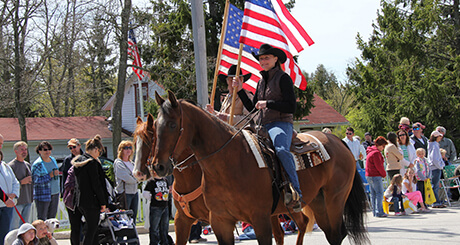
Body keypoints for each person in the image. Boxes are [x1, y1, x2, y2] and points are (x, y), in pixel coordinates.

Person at [234, 43, 301, 211]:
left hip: (280, 123)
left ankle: (296, 192)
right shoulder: (261, 81)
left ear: (275, 59)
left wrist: (268, 103)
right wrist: (241, 90)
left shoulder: (283, 78)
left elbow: (291, 106)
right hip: (262, 125)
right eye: (261, 58)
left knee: (280, 150)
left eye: (266, 58)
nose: (263, 61)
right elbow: (252, 108)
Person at [72, 135, 108, 245]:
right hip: (92, 201)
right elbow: (96, 185)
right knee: (92, 230)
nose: (99, 155)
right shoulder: (92, 163)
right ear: (96, 149)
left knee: (93, 230)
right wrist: (103, 202)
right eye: (99, 152)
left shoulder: (78, 162)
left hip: (80, 201)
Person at [31, 141, 60, 221]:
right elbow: (35, 180)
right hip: (43, 195)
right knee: (42, 219)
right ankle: (42, 234)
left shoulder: (53, 160)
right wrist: (49, 176)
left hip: (55, 193)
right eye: (45, 150)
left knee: (52, 219)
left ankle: (50, 234)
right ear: (39, 151)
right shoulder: (38, 164)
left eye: (49, 149)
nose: (48, 151)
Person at [8, 141, 34, 229]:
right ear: (16, 151)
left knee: (25, 227)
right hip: (17, 202)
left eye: (25, 149)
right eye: (22, 150)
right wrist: (22, 182)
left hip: (28, 200)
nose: (24, 152)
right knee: (14, 227)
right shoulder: (11, 166)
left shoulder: (27, 165)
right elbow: (9, 184)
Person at [114, 140, 139, 220]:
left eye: (130, 148)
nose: (128, 150)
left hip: (134, 192)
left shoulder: (132, 163)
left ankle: (133, 232)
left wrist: (137, 178)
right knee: (125, 217)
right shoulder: (119, 163)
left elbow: (139, 175)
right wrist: (136, 180)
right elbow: (125, 177)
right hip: (125, 194)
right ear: (121, 150)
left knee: (133, 216)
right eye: (126, 148)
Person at [143, 171, 170, 245]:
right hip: (156, 207)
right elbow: (145, 193)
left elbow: (167, 190)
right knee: (154, 227)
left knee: (164, 226)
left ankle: (164, 242)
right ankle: (154, 242)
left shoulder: (165, 180)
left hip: (165, 206)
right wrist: (152, 199)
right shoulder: (151, 181)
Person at [365, 136, 388, 217]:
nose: (383, 148)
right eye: (383, 146)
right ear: (379, 145)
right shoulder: (376, 153)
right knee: (379, 193)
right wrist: (384, 174)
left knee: (373, 194)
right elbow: (379, 166)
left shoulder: (370, 152)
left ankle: (375, 211)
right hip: (375, 175)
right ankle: (380, 211)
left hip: (369, 175)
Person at [0, 150, 20, 242]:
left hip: (7, 205)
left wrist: (14, 194)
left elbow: (15, 182)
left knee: (5, 233)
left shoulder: (5, 166)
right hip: (4, 201)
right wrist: (4, 196)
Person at [428, 130, 445, 208]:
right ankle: (435, 202)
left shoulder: (431, 144)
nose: (440, 138)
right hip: (435, 167)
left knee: (434, 185)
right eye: (439, 136)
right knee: (435, 186)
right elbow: (434, 158)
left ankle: (435, 201)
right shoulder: (434, 145)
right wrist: (440, 166)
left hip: (433, 167)